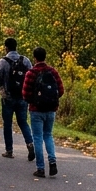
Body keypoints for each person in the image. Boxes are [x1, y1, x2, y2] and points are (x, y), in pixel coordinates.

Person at [22, 46, 64, 178]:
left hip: (36, 110)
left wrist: (33, 101)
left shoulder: (31, 73)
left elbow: (25, 94)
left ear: (34, 58)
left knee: (38, 138)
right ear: (45, 57)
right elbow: (61, 90)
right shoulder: (53, 72)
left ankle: (40, 168)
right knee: (48, 135)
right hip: (51, 110)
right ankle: (52, 162)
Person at [0, 37, 34, 161]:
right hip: (22, 97)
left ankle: (9, 150)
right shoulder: (25, 61)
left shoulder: (3, 62)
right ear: (16, 47)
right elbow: (31, 77)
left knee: (7, 124)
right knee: (23, 122)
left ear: (6, 47)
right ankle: (30, 144)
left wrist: (1, 89)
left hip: (8, 98)